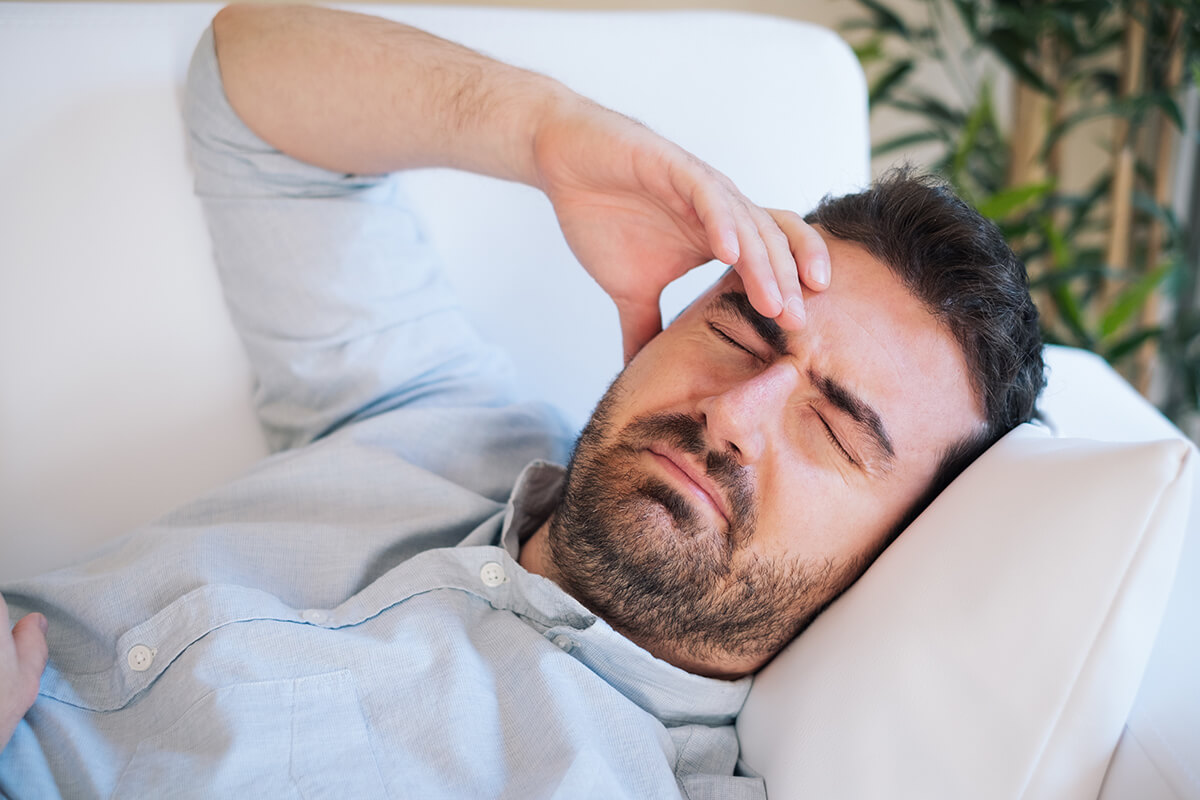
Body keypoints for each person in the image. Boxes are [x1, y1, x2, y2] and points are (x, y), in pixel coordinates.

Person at [0, 4, 1043, 797]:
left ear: (897, 550)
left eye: (832, 427)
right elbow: (242, 85)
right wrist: (549, 136)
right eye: (740, 327)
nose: (735, 411)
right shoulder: (440, 419)